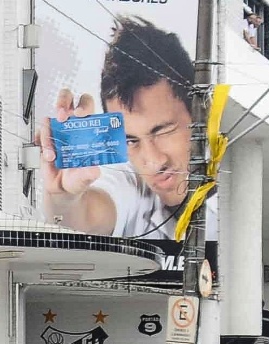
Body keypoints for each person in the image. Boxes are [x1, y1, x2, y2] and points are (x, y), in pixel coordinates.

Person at [40, 17, 214, 242]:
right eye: (132, 141)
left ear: (200, 113)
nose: (153, 161)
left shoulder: (255, 181)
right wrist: (64, 197)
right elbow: (87, 217)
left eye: (162, 131)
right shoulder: (132, 184)